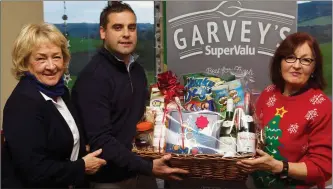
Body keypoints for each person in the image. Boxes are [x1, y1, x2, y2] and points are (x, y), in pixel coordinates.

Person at [71, 2, 188, 188]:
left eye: (131, 27)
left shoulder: (137, 71)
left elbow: (140, 120)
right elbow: (102, 141)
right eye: (118, 27)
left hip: (140, 172)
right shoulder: (94, 78)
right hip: (109, 179)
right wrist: (148, 167)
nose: (126, 33)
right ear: (103, 32)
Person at [1, 23, 107, 188]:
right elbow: (35, 171)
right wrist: (82, 166)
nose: (51, 66)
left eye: (56, 57)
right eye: (41, 58)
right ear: (25, 62)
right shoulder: (22, 104)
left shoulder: (61, 92)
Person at [237, 32, 332, 188]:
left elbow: (322, 168)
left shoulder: (321, 105)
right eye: (290, 57)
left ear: (314, 67)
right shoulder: (268, 93)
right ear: (280, 62)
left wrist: (278, 166)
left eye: (306, 60)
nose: (296, 65)